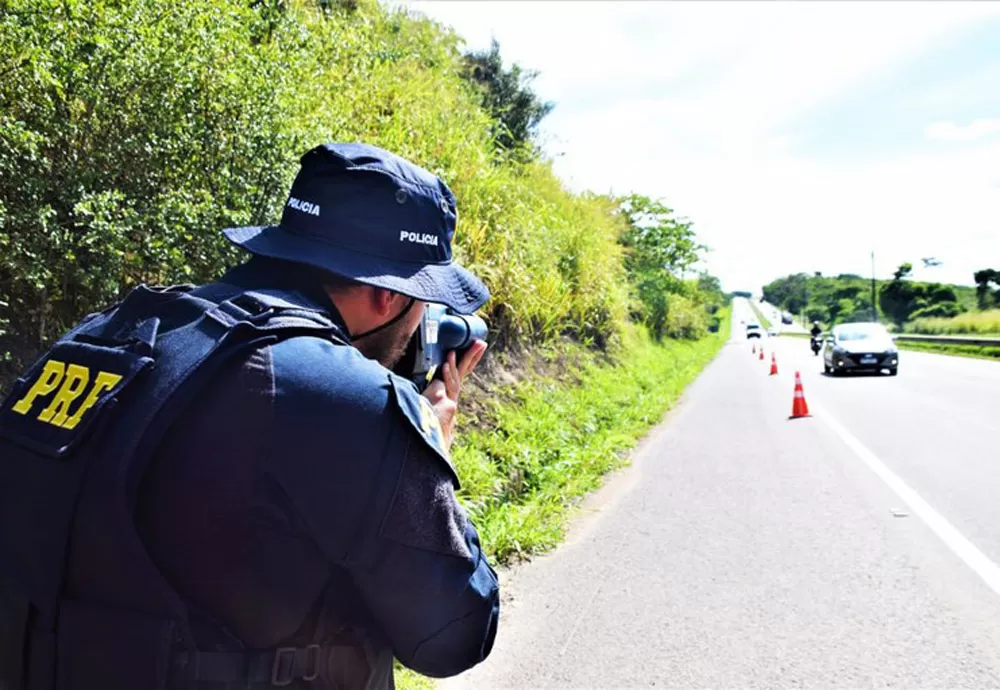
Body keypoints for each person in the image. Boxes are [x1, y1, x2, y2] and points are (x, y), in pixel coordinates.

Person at [0, 143, 499, 690]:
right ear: (386, 295)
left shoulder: (105, 336)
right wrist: (430, 447)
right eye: (421, 297)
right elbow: (456, 634)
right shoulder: (349, 400)